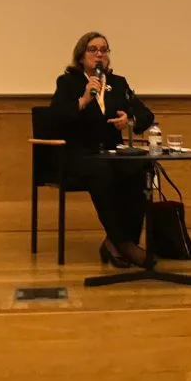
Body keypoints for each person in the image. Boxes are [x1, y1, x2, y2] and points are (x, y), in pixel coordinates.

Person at [49, 32, 154, 268]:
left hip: (111, 152)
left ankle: (116, 241)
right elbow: (53, 118)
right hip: (79, 154)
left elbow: (147, 115)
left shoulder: (118, 84)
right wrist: (83, 100)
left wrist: (130, 120)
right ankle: (125, 245)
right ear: (81, 56)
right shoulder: (68, 82)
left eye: (104, 50)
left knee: (142, 168)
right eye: (93, 50)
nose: (100, 55)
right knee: (102, 171)